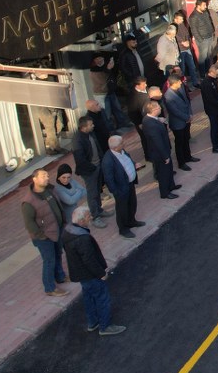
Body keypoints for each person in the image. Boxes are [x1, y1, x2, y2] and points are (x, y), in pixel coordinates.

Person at [61, 206, 126, 337]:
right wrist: (101, 274)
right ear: (81, 220)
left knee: (89, 298)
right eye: (88, 216)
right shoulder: (83, 238)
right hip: (90, 275)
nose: (90, 218)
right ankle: (105, 326)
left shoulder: (67, 232)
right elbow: (90, 259)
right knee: (102, 298)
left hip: (80, 274)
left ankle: (93, 322)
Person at [20, 168, 67, 296]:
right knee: (49, 260)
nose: (47, 178)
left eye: (47, 175)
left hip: (56, 230)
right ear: (34, 179)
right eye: (43, 176)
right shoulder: (28, 201)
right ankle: (50, 288)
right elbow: (29, 224)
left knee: (58, 254)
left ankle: (60, 276)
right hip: (43, 237)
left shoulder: (50, 190)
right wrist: (41, 236)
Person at [101, 135, 144, 239]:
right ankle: (123, 229)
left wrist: (134, 164)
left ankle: (131, 221)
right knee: (122, 210)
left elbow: (128, 160)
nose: (123, 144)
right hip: (120, 189)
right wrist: (116, 192)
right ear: (115, 147)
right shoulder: (108, 161)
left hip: (129, 184)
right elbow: (109, 179)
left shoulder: (122, 151)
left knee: (132, 203)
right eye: (121, 143)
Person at [70, 116, 109, 225]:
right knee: (92, 193)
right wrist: (93, 168)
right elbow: (80, 159)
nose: (93, 126)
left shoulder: (90, 134)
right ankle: (95, 216)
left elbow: (97, 147)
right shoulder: (78, 140)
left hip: (97, 166)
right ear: (84, 127)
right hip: (89, 170)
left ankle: (99, 210)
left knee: (97, 190)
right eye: (90, 125)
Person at [141, 101, 178, 200]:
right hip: (159, 154)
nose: (161, 109)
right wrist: (165, 156)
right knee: (163, 173)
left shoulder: (151, 119)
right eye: (158, 108)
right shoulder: (150, 124)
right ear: (153, 110)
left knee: (169, 169)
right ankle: (165, 192)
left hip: (162, 150)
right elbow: (158, 142)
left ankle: (171, 185)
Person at [162, 75, 195, 172]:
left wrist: (190, 114)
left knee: (186, 139)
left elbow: (187, 102)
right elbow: (174, 111)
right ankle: (181, 162)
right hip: (178, 123)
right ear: (174, 83)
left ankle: (188, 156)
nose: (181, 83)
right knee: (179, 143)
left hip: (186, 119)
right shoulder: (168, 96)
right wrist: (187, 117)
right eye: (179, 82)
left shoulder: (180, 88)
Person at [200, 65, 218, 155]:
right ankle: (216, 147)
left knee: (217, 126)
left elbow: (216, 92)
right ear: (212, 72)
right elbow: (210, 98)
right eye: (217, 73)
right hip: (211, 109)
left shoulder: (212, 80)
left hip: (215, 108)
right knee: (215, 127)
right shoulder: (206, 83)